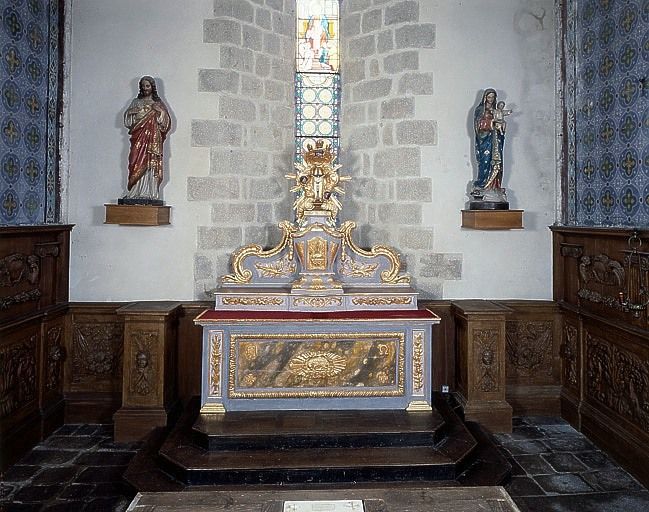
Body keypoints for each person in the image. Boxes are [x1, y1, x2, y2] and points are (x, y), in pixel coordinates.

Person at [123, 76, 171, 202]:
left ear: (152, 87)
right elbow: (128, 122)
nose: (145, 88)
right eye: (143, 86)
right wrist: (132, 112)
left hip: (153, 139)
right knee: (135, 159)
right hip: (138, 138)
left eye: (148, 86)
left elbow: (165, 124)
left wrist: (160, 111)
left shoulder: (158, 104)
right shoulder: (136, 102)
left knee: (151, 164)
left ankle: (150, 192)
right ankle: (135, 191)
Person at [471, 88, 506, 201]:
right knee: (485, 162)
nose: (491, 99)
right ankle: (482, 185)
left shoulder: (496, 111)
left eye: (493, 97)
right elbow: (478, 125)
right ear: (485, 98)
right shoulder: (480, 110)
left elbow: (501, 123)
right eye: (489, 97)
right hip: (485, 140)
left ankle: (495, 186)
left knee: (497, 163)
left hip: (496, 140)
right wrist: (491, 123)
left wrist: (502, 126)